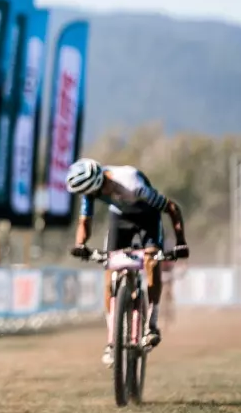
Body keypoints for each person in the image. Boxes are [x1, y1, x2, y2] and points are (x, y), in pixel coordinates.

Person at [64, 157, 189, 367]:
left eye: (95, 193)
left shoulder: (133, 184)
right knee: (109, 271)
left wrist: (180, 242)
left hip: (147, 215)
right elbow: (84, 221)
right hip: (120, 218)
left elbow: (172, 208)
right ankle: (111, 341)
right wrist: (80, 245)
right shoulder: (90, 187)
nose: (93, 197)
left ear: (100, 183)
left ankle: (151, 325)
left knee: (151, 261)